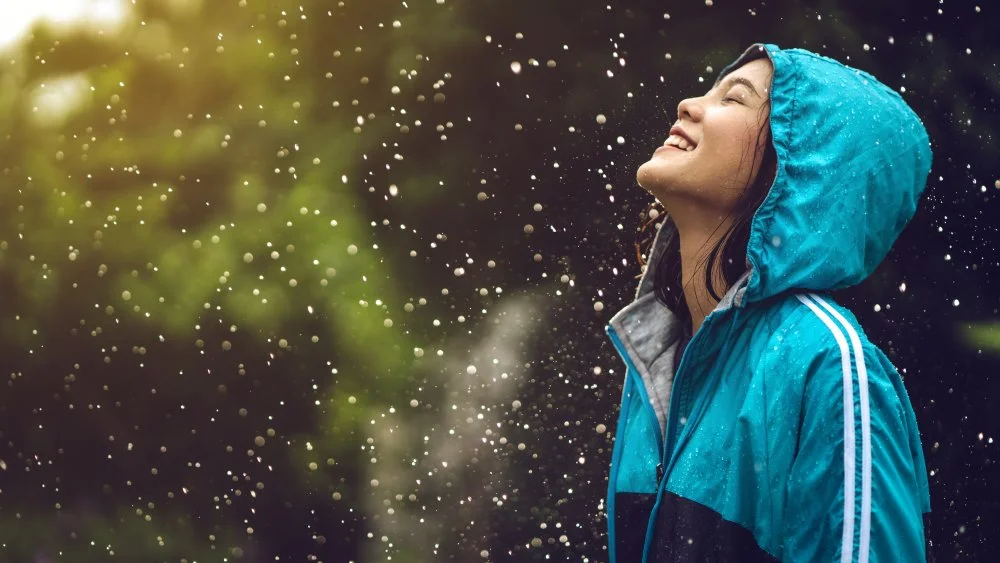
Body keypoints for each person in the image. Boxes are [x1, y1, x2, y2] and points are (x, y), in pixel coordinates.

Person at [604, 43, 933, 562]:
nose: (689, 104)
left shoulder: (829, 364)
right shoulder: (659, 353)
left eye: (734, 99)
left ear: (801, 166)